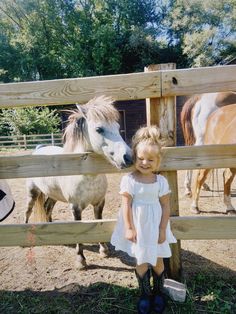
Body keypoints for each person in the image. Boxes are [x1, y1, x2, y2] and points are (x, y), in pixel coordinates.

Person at [111, 126, 177, 314]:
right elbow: (125, 205)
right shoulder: (129, 180)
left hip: (155, 226)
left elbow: (165, 206)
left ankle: (158, 292)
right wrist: (129, 228)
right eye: (141, 158)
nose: (145, 163)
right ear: (134, 156)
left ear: (158, 161)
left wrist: (163, 229)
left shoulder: (161, 182)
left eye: (150, 160)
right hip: (138, 226)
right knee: (141, 260)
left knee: (157, 260)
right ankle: (144, 294)